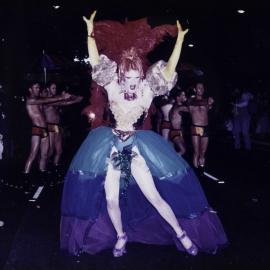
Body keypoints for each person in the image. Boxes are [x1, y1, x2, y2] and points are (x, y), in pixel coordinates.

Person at [60, 11, 227, 257]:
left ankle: (181, 233)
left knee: (156, 197)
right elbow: (96, 63)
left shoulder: (147, 90)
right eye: (128, 77)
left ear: (140, 75)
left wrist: (179, 41)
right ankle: (120, 236)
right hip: (110, 146)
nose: (131, 82)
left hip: (138, 147)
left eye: (135, 77)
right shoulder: (113, 88)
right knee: (111, 201)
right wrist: (89, 34)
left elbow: (169, 71)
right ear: (121, 75)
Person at [23, 82, 71, 179]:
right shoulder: (30, 100)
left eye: (38, 88)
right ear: (30, 89)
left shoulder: (39, 100)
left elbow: (49, 101)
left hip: (45, 129)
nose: (38, 89)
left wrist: (66, 98)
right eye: (36, 88)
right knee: (33, 154)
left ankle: (42, 173)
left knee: (45, 154)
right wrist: (61, 97)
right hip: (37, 129)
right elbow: (49, 99)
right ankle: (26, 179)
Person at [42, 82, 83, 174]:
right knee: (50, 150)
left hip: (56, 126)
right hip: (49, 126)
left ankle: (54, 167)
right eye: (53, 88)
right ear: (48, 89)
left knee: (59, 150)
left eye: (55, 88)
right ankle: (44, 168)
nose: (55, 90)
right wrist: (72, 100)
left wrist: (72, 98)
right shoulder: (47, 99)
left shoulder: (55, 98)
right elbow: (63, 102)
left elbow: (66, 101)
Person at [187, 82, 214, 168]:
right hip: (196, 127)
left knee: (203, 153)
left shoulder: (207, 101)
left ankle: (201, 170)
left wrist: (210, 103)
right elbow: (194, 106)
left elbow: (209, 107)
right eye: (198, 87)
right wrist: (207, 101)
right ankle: (196, 172)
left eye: (202, 88)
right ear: (195, 89)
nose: (201, 89)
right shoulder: (191, 100)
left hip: (205, 127)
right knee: (196, 152)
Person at [169, 90, 188, 155]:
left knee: (174, 151)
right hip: (175, 132)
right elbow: (191, 110)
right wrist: (188, 101)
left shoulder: (175, 106)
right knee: (183, 150)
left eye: (184, 95)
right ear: (178, 98)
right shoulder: (179, 107)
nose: (185, 96)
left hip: (178, 132)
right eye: (183, 95)